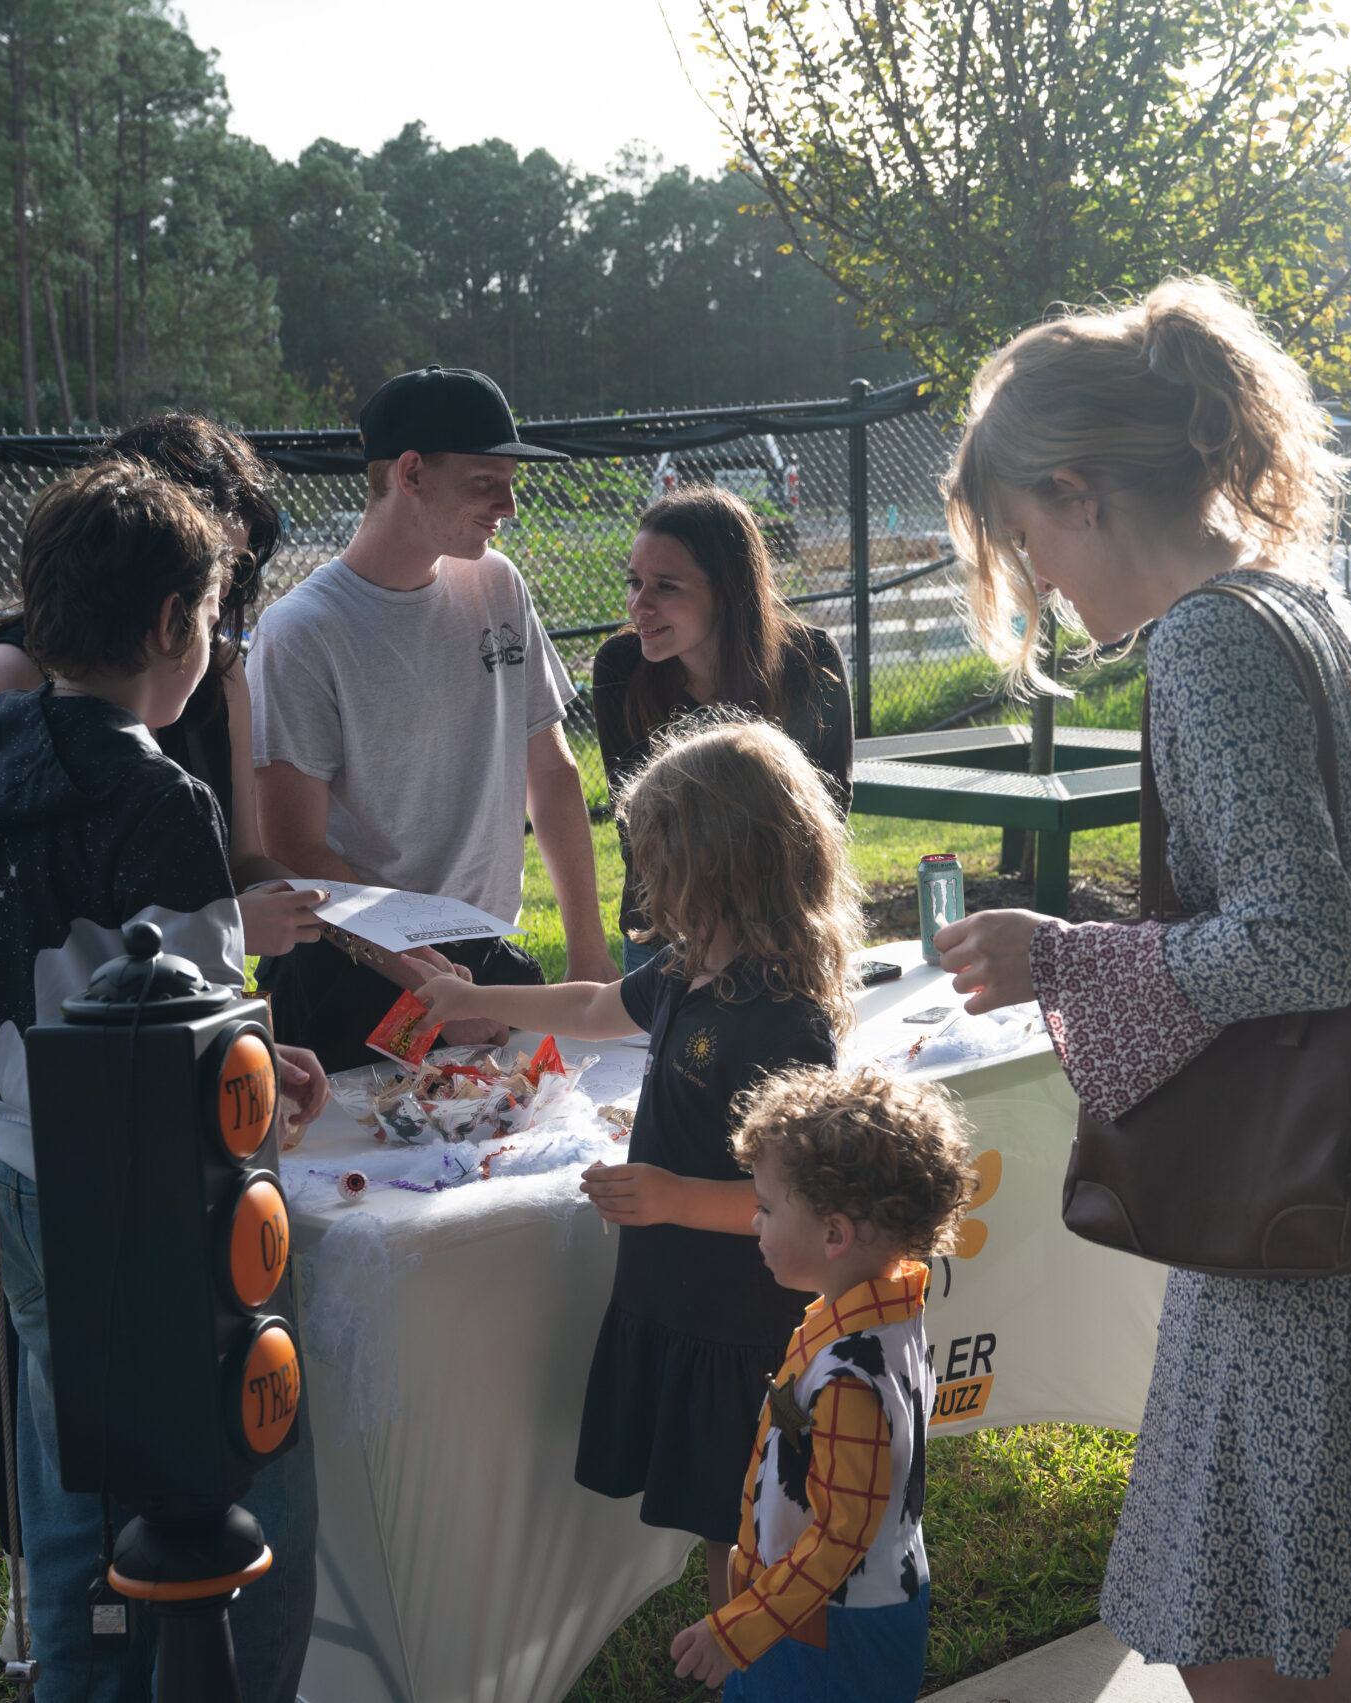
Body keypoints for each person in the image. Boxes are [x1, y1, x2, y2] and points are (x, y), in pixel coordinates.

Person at [931, 276, 1351, 1700]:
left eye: (1027, 543)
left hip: (1329, 1203)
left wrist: (1060, 954)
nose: (1047, 585)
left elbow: (1304, 941)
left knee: (1250, 1628)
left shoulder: (1208, 640)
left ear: (1076, 492)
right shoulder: (1311, 607)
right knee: (1278, 1617)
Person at [0, 461, 332, 1703]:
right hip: (150, 1208)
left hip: (23, 1166)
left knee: (67, 1478)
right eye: (212, 619)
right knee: (248, 1463)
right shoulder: (160, 791)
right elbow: (203, 1059)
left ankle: (79, 1680)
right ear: (171, 624)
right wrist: (269, 1072)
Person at [413, 713, 860, 1604]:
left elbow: (793, 1204)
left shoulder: (783, 1018)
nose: (645, 883)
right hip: (675, 1294)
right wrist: (469, 994)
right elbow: (589, 1006)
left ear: (724, 867)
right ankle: (733, 1640)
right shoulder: (688, 971)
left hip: (739, 1317)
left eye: (660, 862)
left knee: (752, 1506)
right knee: (716, 1512)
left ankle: (758, 1643)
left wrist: (668, 1195)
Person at [250, 365, 615, 1070]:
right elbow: (295, 847)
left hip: (483, 960)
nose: (507, 504)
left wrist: (588, 952)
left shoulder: (496, 582)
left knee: (523, 1160)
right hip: (357, 974)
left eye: (512, 480)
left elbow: (552, 769)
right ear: (411, 472)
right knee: (374, 1174)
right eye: (486, 481)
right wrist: (427, 981)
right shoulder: (302, 631)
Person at [667, 1064, 979, 1702]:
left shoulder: (849, 1379)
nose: (755, 1223)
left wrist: (738, 1631)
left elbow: (841, 1536)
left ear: (834, 1233)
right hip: (815, 1613)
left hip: (826, 1632)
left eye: (765, 1207)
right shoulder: (883, 1311)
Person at [591, 486, 854, 953]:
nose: (639, 605)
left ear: (730, 590)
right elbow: (640, 827)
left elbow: (824, 812)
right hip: (667, 931)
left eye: (666, 586)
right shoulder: (620, 666)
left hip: (780, 925)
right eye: (634, 582)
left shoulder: (810, 660)